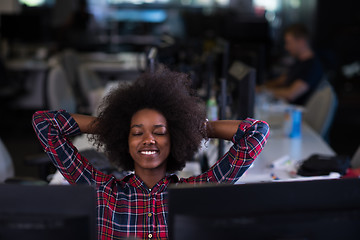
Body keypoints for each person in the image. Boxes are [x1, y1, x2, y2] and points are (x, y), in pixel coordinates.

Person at [32, 66, 269, 239]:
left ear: (174, 138)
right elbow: (45, 124)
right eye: (137, 133)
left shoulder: (195, 194)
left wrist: (195, 127)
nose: (148, 140)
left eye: (160, 132)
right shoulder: (102, 193)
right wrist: (112, 126)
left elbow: (256, 133)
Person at [261, 24, 323, 105]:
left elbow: (291, 94)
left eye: (288, 43)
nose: (286, 47)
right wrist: (262, 86)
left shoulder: (312, 66)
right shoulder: (299, 61)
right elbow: (283, 80)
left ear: (301, 42)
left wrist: (263, 90)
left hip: (293, 113)